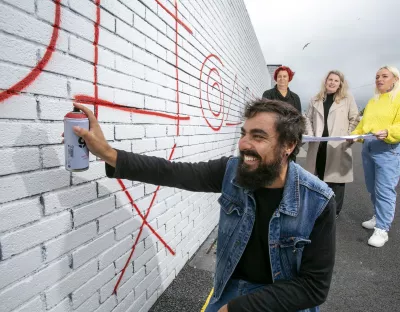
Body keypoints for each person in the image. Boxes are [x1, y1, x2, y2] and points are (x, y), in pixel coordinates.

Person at [71, 99, 336, 312]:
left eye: (258, 136)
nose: (244, 144)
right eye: (244, 134)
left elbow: (313, 288)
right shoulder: (233, 171)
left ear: (288, 145)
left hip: (283, 301)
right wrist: (108, 153)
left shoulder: (318, 200)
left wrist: (238, 309)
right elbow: (172, 172)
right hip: (231, 289)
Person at [351, 65, 400, 248]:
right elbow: (364, 125)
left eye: (384, 76)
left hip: (388, 149)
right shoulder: (373, 101)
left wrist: (388, 131)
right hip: (369, 149)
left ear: (395, 79)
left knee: (385, 190)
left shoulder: (399, 98)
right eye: (377, 76)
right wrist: (354, 135)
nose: (379, 79)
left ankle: (382, 229)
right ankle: (377, 216)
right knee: (372, 187)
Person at [304, 70, 359, 218]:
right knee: (319, 176)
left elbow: (354, 118)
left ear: (340, 83)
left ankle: (334, 212)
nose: (332, 82)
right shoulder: (315, 99)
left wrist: (347, 135)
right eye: (330, 79)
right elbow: (307, 118)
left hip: (337, 145)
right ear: (325, 81)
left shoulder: (347, 99)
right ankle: (319, 209)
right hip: (318, 145)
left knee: (336, 180)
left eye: (336, 80)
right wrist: (310, 135)